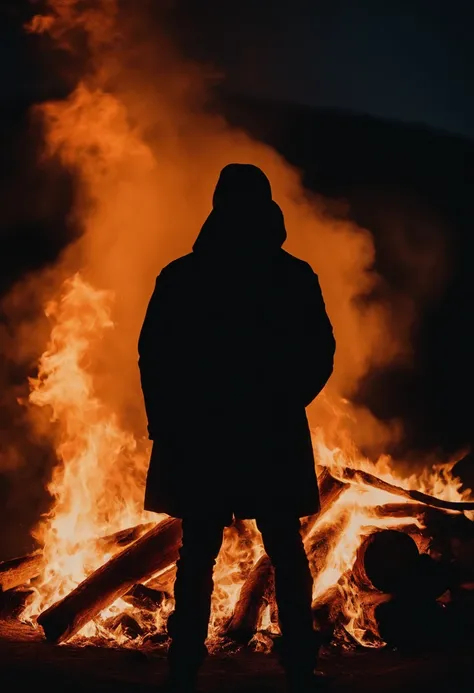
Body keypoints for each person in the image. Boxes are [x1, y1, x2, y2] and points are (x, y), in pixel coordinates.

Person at [138, 164, 336, 692]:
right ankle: (297, 666)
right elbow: (320, 353)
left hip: (204, 437)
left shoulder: (183, 275)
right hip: (266, 436)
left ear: (217, 202)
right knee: (285, 552)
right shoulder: (293, 275)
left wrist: (168, 421)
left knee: (199, 550)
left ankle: (184, 667)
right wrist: (284, 402)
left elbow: (154, 356)